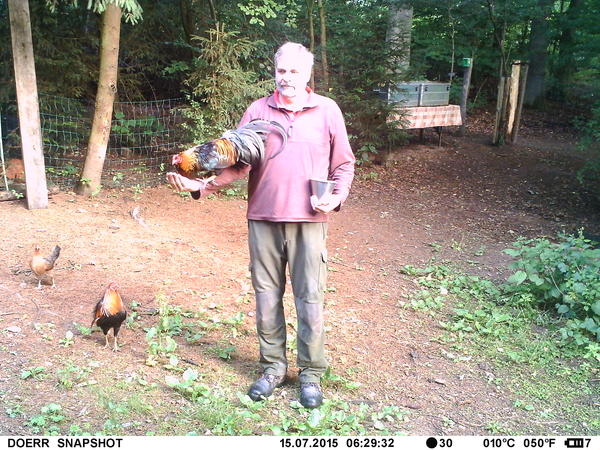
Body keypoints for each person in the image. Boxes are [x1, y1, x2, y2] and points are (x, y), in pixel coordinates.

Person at [166, 42, 355, 409]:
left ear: (307, 74)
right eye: (281, 70)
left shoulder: (327, 111)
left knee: (310, 298)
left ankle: (311, 374)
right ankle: (272, 368)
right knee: (267, 296)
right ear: (275, 71)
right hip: (263, 218)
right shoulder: (257, 110)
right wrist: (201, 186)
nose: (286, 78)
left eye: (294, 71)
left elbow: (343, 164)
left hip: (309, 219)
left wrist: (336, 196)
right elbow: (239, 163)